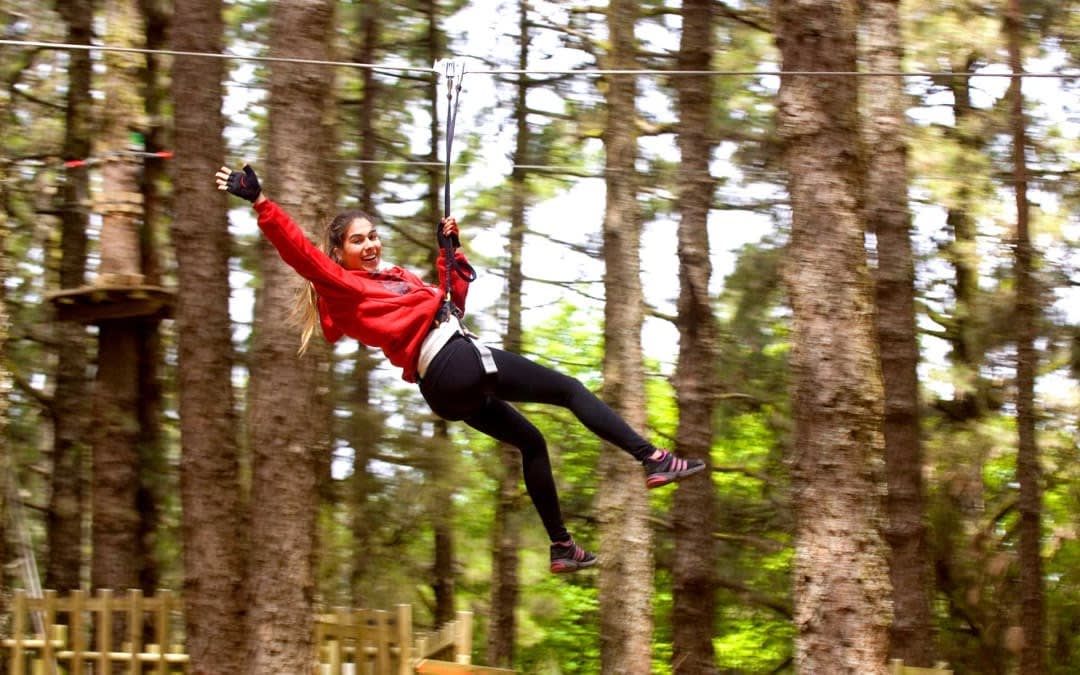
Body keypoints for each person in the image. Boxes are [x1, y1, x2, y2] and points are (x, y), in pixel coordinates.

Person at [215, 164, 706, 573]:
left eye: (374, 236)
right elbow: (300, 254)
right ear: (338, 252)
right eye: (357, 241)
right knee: (571, 389)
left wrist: (450, 253)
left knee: (531, 442)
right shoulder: (344, 287)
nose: (370, 245)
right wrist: (262, 204)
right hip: (452, 361)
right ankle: (652, 459)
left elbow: (451, 305)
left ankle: (561, 546)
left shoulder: (396, 281)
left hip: (445, 386)